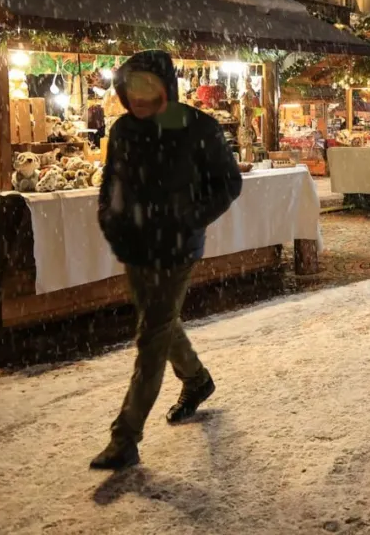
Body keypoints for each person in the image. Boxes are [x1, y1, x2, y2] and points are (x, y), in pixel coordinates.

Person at [91, 50, 243, 470]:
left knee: (152, 336)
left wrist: (189, 218)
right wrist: (111, 221)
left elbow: (228, 183)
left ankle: (125, 437)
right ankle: (196, 380)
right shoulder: (122, 130)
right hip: (134, 245)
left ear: (165, 90)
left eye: (146, 88)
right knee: (159, 323)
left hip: (177, 247)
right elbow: (111, 182)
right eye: (131, 89)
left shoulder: (197, 128)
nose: (138, 99)